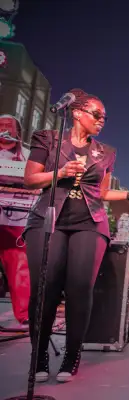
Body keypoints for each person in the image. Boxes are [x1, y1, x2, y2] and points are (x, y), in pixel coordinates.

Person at [23, 88, 129, 383]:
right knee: (44, 291)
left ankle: (72, 356)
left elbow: (103, 191)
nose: (102, 121)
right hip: (50, 220)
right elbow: (30, 179)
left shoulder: (105, 153)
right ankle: (39, 354)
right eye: (97, 115)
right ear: (77, 113)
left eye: (105, 117)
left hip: (90, 223)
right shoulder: (49, 139)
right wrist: (60, 172)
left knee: (79, 290)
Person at [0, 115, 31, 327]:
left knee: (20, 264)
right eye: (1, 126)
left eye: (9, 126)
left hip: (15, 218)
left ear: (18, 132)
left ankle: (24, 314)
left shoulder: (28, 155)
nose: (5, 129)